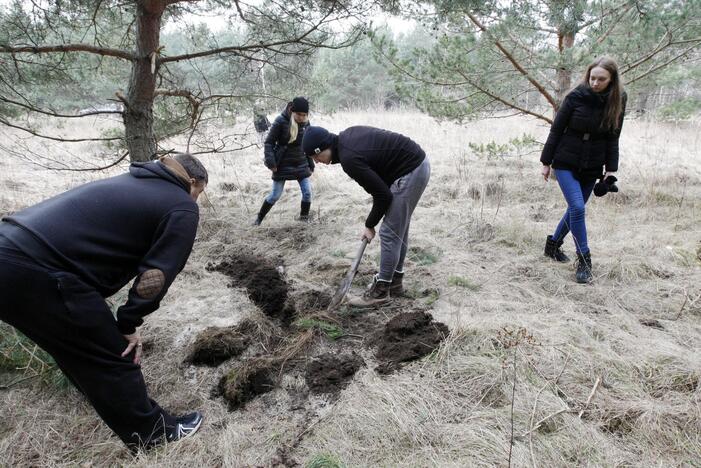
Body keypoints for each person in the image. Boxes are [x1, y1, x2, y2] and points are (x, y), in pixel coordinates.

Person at [0, 153, 208, 451]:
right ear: (192, 182)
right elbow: (157, 275)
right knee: (111, 352)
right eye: (198, 193)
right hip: (41, 271)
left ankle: (114, 407)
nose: (196, 201)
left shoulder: (132, 181)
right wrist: (128, 322)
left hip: (10, 253)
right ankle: (155, 434)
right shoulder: (181, 205)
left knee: (78, 348)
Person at [302, 125, 430, 307]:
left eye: (316, 156)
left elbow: (382, 195)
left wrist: (370, 225)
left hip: (411, 170)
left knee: (389, 232)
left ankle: (381, 291)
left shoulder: (349, 159)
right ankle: (395, 282)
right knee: (398, 228)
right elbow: (381, 177)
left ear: (323, 146)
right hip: (415, 165)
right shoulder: (346, 137)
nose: (316, 161)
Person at [540, 56, 627, 283]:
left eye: (601, 79)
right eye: (592, 78)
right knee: (578, 208)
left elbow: (614, 137)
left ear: (612, 80)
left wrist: (610, 170)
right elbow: (556, 130)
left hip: (593, 164)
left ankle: (553, 245)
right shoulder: (576, 96)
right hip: (566, 160)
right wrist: (546, 162)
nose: (595, 83)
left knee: (574, 211)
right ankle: (585, 260)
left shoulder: (618, 100)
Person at [253, 97, 314, 225]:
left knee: (307, 193)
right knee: (275, 195)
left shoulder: (306, 123)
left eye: (304, 115)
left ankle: (304, 220)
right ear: (292, 110)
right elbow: (269, 142)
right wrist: (271, 163)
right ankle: (258, 219)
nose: (301, 117)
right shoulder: (280, 121)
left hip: (301, 162)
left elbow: (307, 144)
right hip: (282, 163)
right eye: (299, 114)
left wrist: (310, 163)